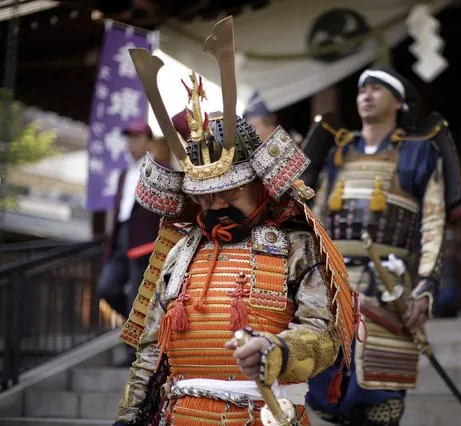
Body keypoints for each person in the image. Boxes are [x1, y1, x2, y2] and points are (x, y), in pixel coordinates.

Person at [113, 42, 355, 425]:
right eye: (205, 197)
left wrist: (276, 351)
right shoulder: (182, 250)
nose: (217, 205)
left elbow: (323, 336)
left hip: (261, 415)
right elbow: (150, 352)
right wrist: (129, 417)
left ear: (259, 183)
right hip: (179, 416)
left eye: (229, 191)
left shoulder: (296, 244)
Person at [305, 65, 461, 426]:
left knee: (381, 398)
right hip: (335, 285)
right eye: (363, 88)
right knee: (327, 389)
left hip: (390, 285)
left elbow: (433, 220)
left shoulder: (420, 152)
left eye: (378, 88)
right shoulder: (338, 152)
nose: (367, 94)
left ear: (398, 101)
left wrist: (427, 284)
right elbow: (318, 217)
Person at [97, 118, 162, 337]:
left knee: (137, 295)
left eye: (136, 138)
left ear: (148, 141)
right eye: (128, 138)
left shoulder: (160, 170)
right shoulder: (124, 174)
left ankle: (132, 350)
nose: (131, 143)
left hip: (144, 239)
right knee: (106, 287)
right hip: (121, 237)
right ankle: (136, 327)